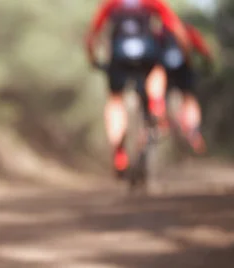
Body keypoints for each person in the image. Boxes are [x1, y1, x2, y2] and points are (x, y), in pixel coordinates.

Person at [85, 0, 190, 177]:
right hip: (147, 53)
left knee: (115, 99)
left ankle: (119, 152)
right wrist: (186, 56)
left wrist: (93, 59)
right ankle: (156, 105)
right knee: (158, 70)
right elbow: (177, 29)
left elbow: (92, 34)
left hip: (119, 55)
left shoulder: (111, 3)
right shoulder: (153, 2)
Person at [159, 22, 212, 153]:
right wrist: (208, 64)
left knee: (160, 97)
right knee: (189, 98)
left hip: (164, 71)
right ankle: (193, 131)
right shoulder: (189, 30)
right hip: (184, 69)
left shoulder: (161, 32)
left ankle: (161, 120)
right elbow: (205, 52)